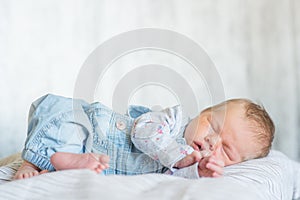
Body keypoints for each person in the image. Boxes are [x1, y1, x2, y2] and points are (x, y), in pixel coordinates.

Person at [14, 94, 274, 179]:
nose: (211, 141)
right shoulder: (172, 120)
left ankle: (64, 163)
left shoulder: (191, 163)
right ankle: (33, 162)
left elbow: (179, 175)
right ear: (201, 113)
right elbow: (143, 134)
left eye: (226, 150)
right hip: (96, 129)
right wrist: (178, 156)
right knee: (66, 125)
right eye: (212, 126)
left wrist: (200, 171)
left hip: (98, 161)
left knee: (80, 160)